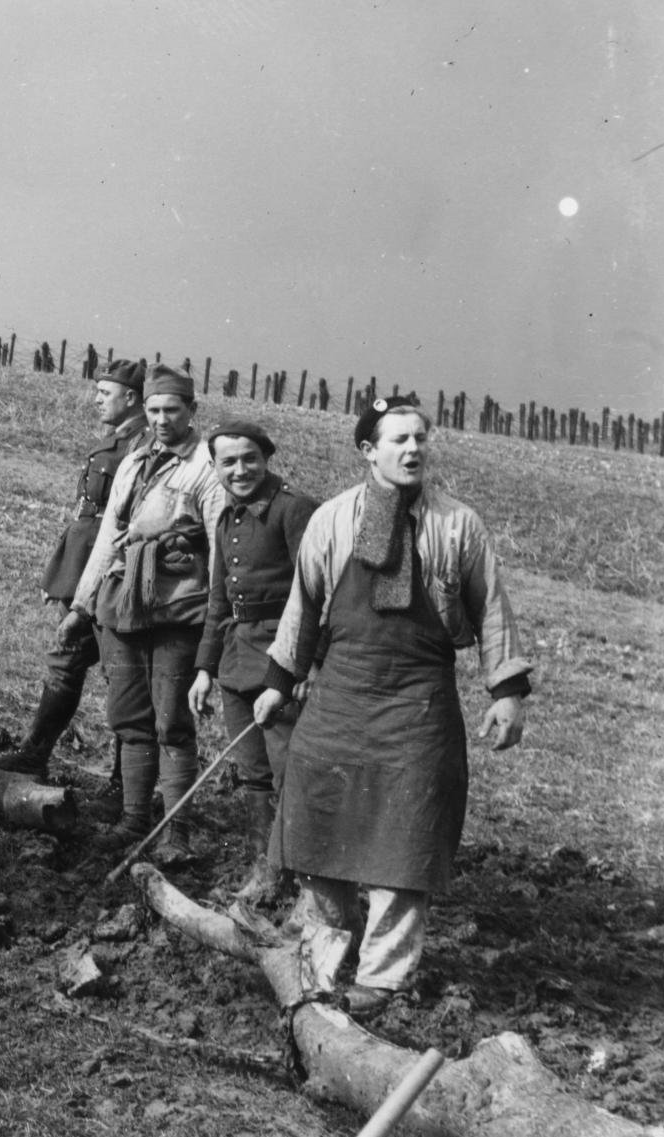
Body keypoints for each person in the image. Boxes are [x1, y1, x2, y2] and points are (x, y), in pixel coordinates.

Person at [253, 398, 530, 1017]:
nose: (413, 450)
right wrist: (278, 681)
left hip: (418, 704)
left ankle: (382, 979)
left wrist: (506, 692)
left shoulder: (458, 526)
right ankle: (325, 952)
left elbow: (491, 610)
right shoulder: (331, 520)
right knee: (316, 824)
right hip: (341, 697)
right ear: (368, 451)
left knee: (406, 837)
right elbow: (302, 606)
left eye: (420, 439)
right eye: (399, 440)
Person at [71, 363, 226, 856]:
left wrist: (215, 629)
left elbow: (221, 553)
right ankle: (134, 820)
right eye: (154, 410)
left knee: (171, 723)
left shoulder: (207, 468)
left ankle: (175, 833)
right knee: (129, 717)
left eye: (172, 410)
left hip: (178, 610)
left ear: (192, 410)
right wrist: (82, 604)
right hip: (123, 605)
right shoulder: (135, 460)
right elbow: (108, 536)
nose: (161, 420)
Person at [0, 357, 149, 781]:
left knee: (121, 679)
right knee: (66, 661)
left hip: (116, 580)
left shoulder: (142, 448)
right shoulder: (114, 442)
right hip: (85, 572)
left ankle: (123, 784)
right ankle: (35, 756)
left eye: (105, 393)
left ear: (131, 398)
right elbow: (85, 519)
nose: (96, 400)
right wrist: (63, 576)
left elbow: (120, 525)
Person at [186, 419, 318, 903]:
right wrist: (205, 669)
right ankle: (265, 874)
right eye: (228, 462)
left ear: (266, 459)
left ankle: (306, 884)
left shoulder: (293, 509)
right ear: (215, 467)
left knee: (290, 774)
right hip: (237, 663)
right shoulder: (227, 517)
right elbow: (219, 601)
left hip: (282, 661)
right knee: (254, 774)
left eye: (250, 459)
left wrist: (305, 667)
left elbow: (318, 593)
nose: (240, 470)